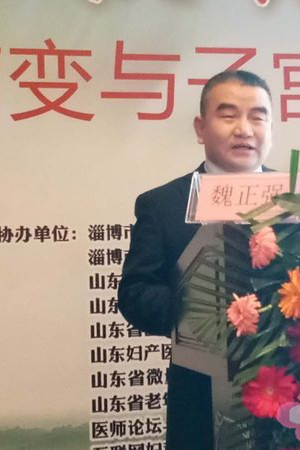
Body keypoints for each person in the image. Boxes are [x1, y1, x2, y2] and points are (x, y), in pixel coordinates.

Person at [118, 70, 274, 449]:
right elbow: (136, 294)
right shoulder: (164, 204)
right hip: (201, 397)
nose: (244, 129)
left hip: (292, 393)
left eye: (258, 117)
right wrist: (200, 311)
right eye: (228, 115)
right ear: (201, 129)